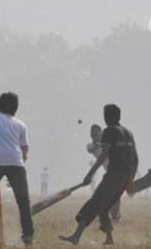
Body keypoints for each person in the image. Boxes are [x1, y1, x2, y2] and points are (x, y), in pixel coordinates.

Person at [59, 104, 138, 246]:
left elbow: (103, 155)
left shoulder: (109, 131)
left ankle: (76, 236)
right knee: (104, 205)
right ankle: (109, 238)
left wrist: (89, 175)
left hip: (114, 175)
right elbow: (135, 158)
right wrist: (130, 180)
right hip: (126, 176)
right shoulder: (128, 133)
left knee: (95, 202)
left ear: (106, 117)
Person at [0, 92, 33, 245]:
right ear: (16, 107)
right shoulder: (21, 124)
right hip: (16, 161)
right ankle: (28, 234)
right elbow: (25, 149)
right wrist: (19, 167)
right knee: (23, 200)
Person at [85, 123, 151, 222]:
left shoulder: (108, 143)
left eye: (97, 133)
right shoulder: (92, 146)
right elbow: (91, 148)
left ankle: (116, 217)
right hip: (114, 172)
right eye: (93, 134)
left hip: (121, 169)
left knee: (118, 192)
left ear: (101, 134)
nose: (95, 136)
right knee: (128, 190)